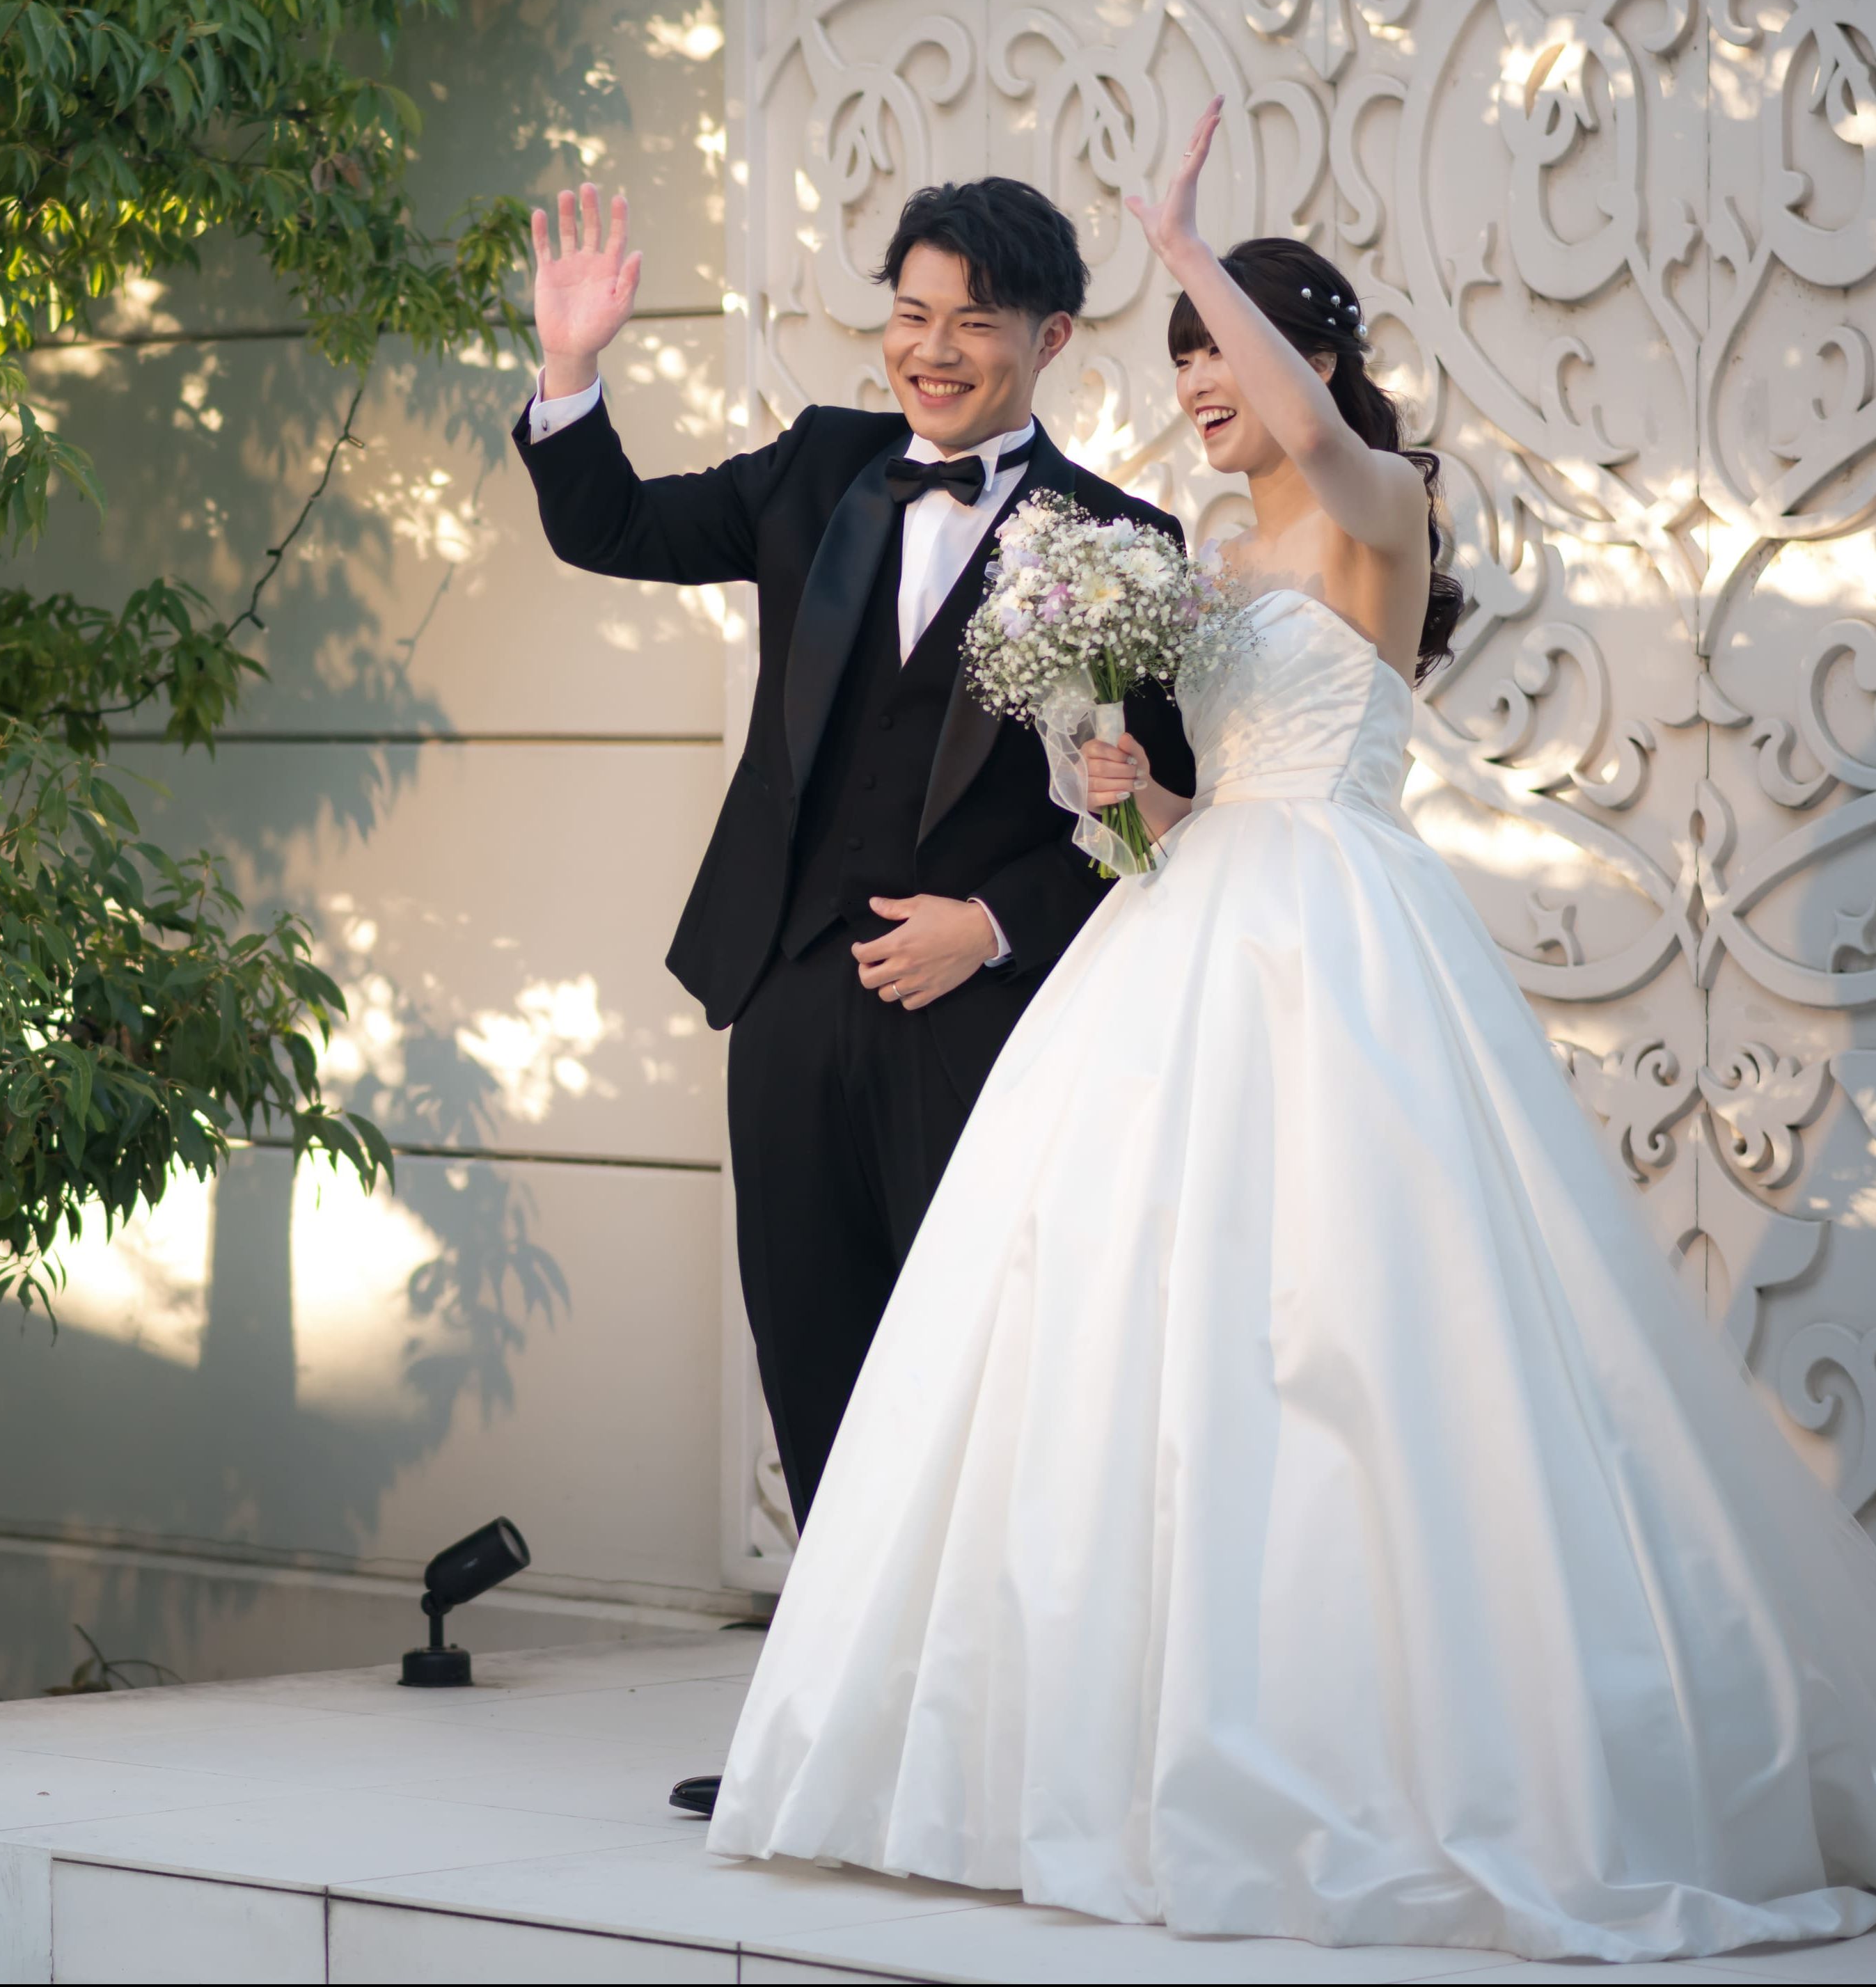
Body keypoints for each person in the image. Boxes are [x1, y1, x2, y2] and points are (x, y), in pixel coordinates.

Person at [706, 100, 1876, 1961]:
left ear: (1311, 360)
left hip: (1334, 932)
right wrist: (1120, 793)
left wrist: (1178, 238)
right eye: (1181, 357)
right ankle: (1097, 1732)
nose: (1199, 385)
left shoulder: (1373, 512)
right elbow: (1184, 804)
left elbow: (1322, 453)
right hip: (1181, 920)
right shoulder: (1193, 550)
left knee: (1353, 1317)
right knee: (1125, 1322)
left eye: (1223, 352)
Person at [517, 177, 1192, 1819]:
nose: (931, 349)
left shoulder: (1118, 545)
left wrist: (993, 922)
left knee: (974, 1376)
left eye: (972, 321)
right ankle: (834, 1734)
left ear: (1050, 336)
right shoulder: (818, 465)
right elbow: (615, 530)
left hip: (981, 1023)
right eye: (909, 312)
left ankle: (991, 1743)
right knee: (812, 1352)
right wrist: (570, 370)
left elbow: (1149, 815)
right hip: (789, 991)